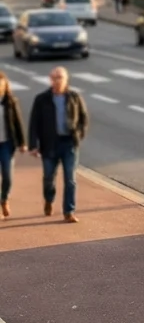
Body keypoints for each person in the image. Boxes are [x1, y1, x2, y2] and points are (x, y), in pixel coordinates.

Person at [28, 66, 89, 223]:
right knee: (49, 178)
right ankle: (49, 200)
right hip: (49, 144)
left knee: (70, 179)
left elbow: (83, 118)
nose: (57, 81)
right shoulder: (41, 99)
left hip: (69, 143)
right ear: (50, 79)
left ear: (66, 79)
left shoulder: (74, 97)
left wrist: (79, 134)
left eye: (60, 77)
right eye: (54, 78)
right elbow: (34, 123)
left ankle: (69, 211)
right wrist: (33, 145)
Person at [1, 71, 25, 220]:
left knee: (8, 176)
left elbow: (18, 122)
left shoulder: (10, 101)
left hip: (6, 144)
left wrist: (22, 143)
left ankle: (4, 199)